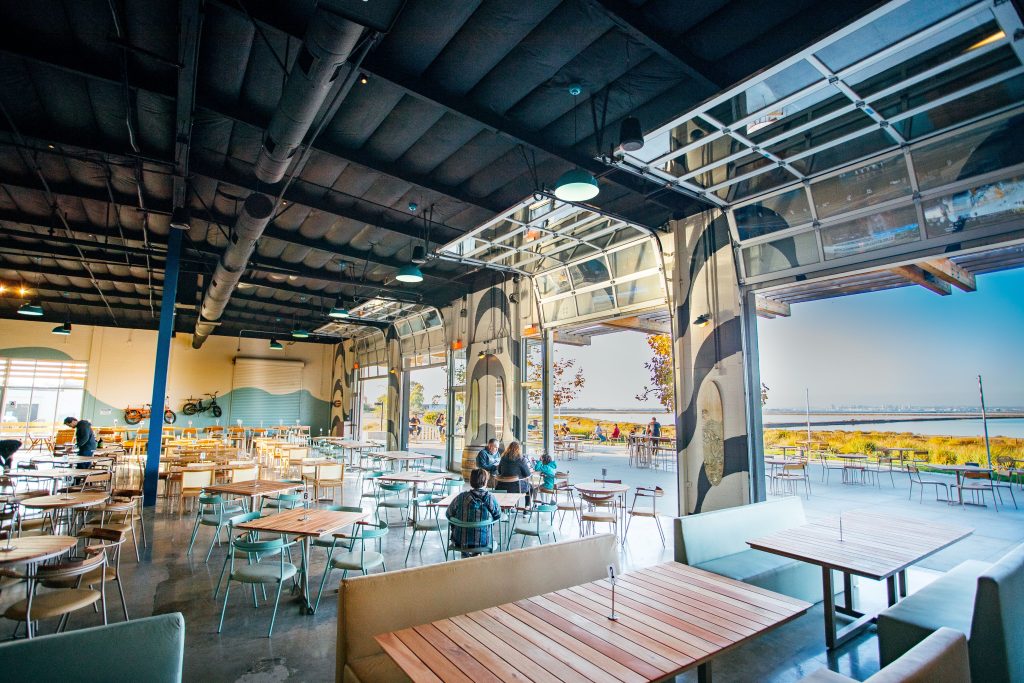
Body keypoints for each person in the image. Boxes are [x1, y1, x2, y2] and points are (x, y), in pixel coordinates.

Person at [446, 468, 501, 557]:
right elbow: (498, 515)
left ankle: (465, 556)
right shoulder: (490, 498)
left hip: (460, 541)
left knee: (463, 531)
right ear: (485, 482)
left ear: (471, 481)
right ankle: (477, 555)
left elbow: (448, 514)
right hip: (484, 541)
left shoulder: (461, 497)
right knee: (485, 529)